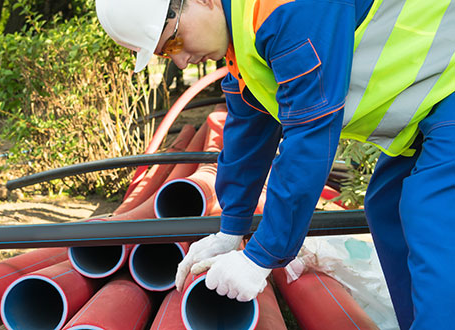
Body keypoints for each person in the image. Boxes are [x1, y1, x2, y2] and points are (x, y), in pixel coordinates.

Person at [95, 0, 455, 328]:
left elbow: (310, 133)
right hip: (434, 100)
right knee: (386, 206)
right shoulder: (242, 37)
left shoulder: (284, 8)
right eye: (165, 54)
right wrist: (230, 230)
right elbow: (248, 130)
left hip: (449, 87)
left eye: (172, 43)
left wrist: (262, 256)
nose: (180, 61)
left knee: (428, 209)